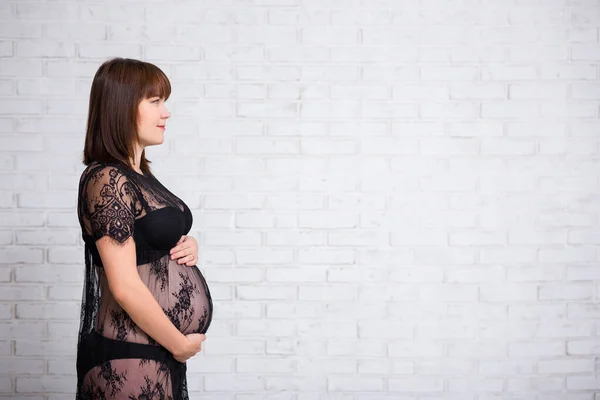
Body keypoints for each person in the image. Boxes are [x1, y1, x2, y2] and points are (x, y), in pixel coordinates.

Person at [75, 57, 213, 399]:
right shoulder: (108, 178)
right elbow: (123, 285)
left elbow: (147, 245)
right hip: (129, 358)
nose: (166, 113)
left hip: (153, 354)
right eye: (155, 101)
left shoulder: (139, 178)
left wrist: (185, 244)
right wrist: (179, 344)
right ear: (122, 107)